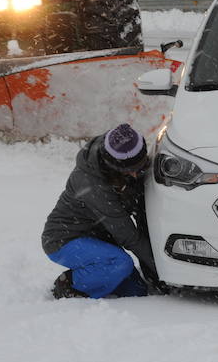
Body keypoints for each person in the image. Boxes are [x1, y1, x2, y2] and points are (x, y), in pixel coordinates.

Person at [42, 123, 161, 299]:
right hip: (64, 239)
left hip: (98, 236)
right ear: (114, 166)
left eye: (140, 166)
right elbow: (127, 235)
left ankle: (95, 271)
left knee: (136, 291)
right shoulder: (91, 184)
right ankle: (69, 284)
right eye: (129, 171)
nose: (136, 175)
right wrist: (162, 267)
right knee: (119, 263)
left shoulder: (120, 155)